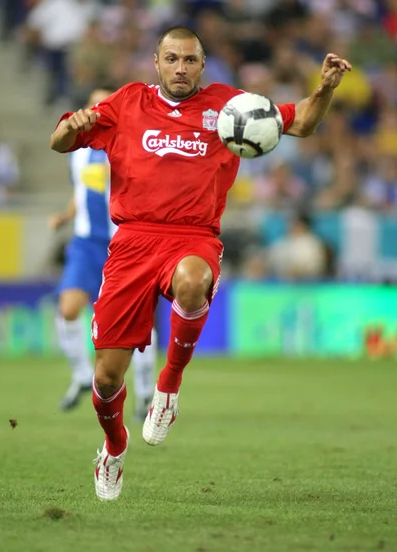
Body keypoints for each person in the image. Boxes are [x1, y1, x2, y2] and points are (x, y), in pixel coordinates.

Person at [50, 25, 351, 501]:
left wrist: (326, 88)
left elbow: (301, 123)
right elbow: (63, 141)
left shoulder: (229, 106)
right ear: (156, 62)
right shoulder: (126, 103)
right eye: (172, 59)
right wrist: (68, 129)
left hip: (193, 236)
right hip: (131, 243)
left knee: (194, 280)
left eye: (190, 60)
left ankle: (168, 387)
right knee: (107, 377)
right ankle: (114, 446)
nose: (181, 68)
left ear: (202, 64)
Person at [50, 88, 157, 418]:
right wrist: (67, 214)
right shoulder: (78, 150)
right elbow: (81, 190)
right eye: (94, 104)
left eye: (105, 103)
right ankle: (82, 376)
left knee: (133, 322)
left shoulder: (127, 143)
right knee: (68, 309)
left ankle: (145, 393)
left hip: (120, 243)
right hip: (85, 242)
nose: (99, 110)